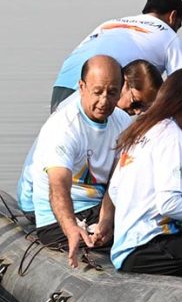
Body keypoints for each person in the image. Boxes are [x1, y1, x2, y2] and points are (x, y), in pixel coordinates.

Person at [16, 59, 163, 220]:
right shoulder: (73, 117)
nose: (137, 112)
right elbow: (54, 179)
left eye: (145, 108)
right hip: (44, 203)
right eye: (136, 102)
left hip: (90, 197)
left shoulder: (119, 119)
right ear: (123, 84)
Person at [108, 68, 182, 277]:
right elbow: (168, 204)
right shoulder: (174, 136)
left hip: (125, 246)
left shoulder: (141, 129)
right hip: (152, 247)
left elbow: (115, 190)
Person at [30, 55, 132, 267]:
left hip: (97, 208)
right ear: (81, 87)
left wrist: (106, 219)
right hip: (60, 217)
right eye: (97, 92)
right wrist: (70, 227)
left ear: (122, 89)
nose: (104, 101)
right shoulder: (64, 127)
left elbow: (117, 180)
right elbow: (58, 184)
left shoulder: (122, 121)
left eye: (112, 92)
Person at [50, 0, 182, 112]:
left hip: (64, 83)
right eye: (178, 25)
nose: (176, 30)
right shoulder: (171, 38)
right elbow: (180, 89)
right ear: (172, 16)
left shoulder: (110, 23)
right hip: (100, 88)